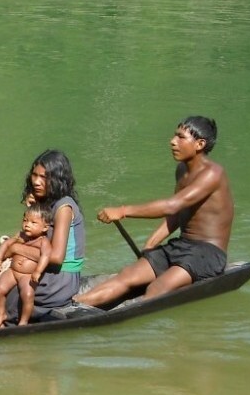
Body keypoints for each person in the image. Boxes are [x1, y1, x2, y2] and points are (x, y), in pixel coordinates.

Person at [75, 116, 232, 306]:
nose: (172, 142)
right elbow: (176, 215)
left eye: (181, 137)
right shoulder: (181, 170)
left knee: (157, 288)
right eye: (175, 136)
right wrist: (150, 245)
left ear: (199, 144)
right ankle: (74, 304)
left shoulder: (213, 174)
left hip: (207, 253)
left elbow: (172, 205)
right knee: (127, 276)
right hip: (181, 246)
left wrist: (123, 210)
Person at [0, 149, 86, 325]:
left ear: (57, 180)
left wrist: (15, 249)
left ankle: (8, 333)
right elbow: (27, 238)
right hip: (35, 269)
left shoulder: (63, 208)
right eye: (34, 175)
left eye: (44, 177)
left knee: (8, 295)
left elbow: (55, 257)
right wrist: (35, 208)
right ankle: (0, 331)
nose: (37, 182)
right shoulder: (45, 204)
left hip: (57, 279)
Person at [0, 204, 53, 327]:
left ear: (45, 227)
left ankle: (23, 321)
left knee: (28, 294)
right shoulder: (20, 235)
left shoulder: (43, 241)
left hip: (28, 275)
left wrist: (38, 271)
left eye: (33, 223)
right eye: (25, 220)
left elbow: (46, 256)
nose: (27, 224)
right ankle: (1, 314)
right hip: (13, 271)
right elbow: (6, 245)